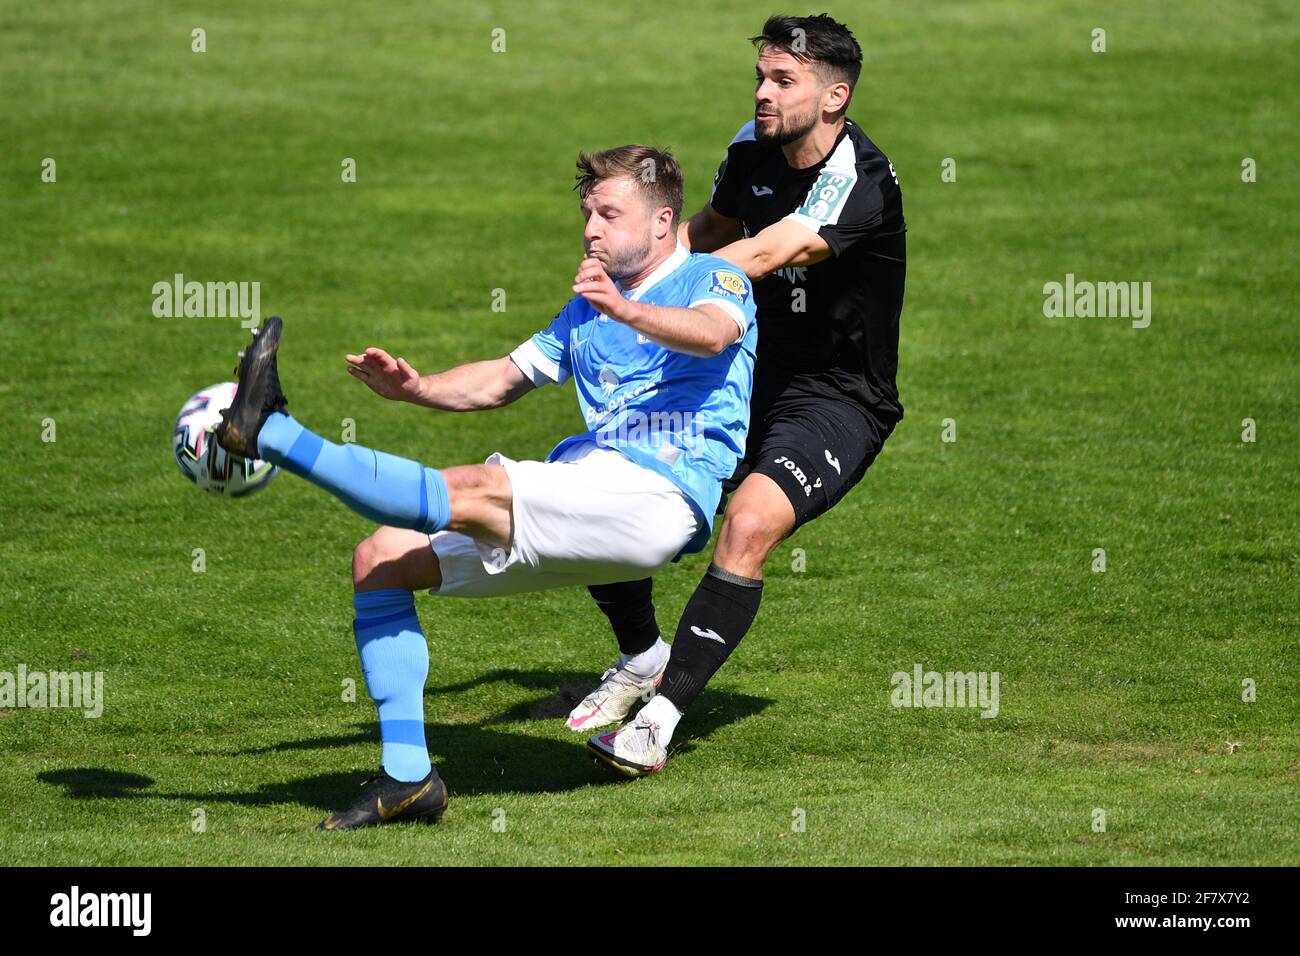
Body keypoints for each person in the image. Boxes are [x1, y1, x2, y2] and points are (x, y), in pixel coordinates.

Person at [214, 145, 757, 827]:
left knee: (477, 487)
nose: (591, 228)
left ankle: (269, 433)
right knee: (380, 560)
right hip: (590, 488)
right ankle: (408, 780)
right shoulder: (589, 308)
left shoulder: (714, 278)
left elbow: (711, 336)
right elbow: (504, 377)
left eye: (609, 214)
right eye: (587, 213)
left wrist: (623, 310)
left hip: (660, 497)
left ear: (661, 222)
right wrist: (415, 389)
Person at [584, 14, 907, 775]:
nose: (762, 92)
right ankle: (640, 657)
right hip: (740, 373)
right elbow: (710, 228)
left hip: (836, 396)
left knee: (750, 520)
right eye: (760, 76)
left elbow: (760, 252)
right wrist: (643, 260)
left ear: (835, 97)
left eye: (781, 81)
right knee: (602, 476)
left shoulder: (856, 181)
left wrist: (643, 304)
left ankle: (659, 720)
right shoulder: (749, 146)